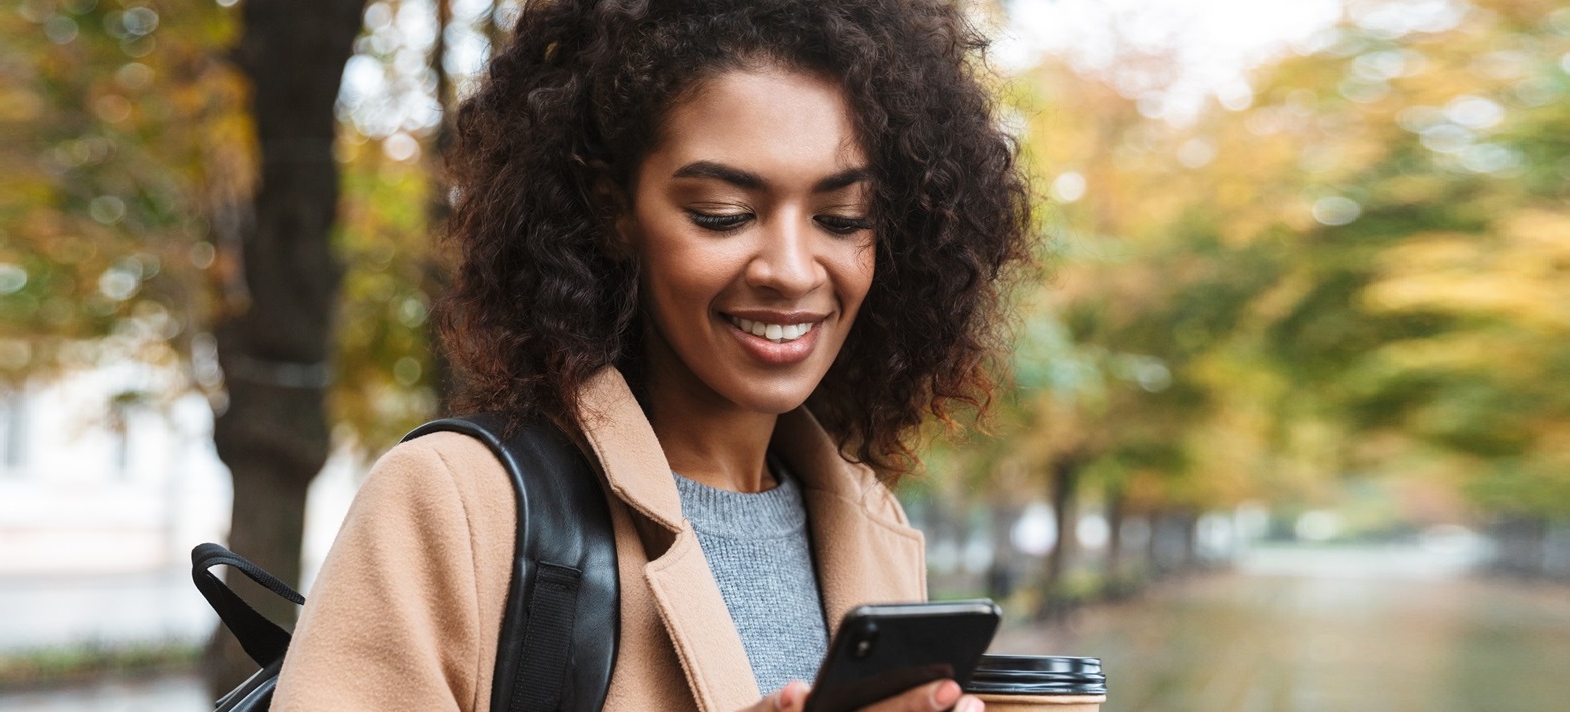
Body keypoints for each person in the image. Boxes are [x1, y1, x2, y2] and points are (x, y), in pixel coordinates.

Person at [273, 0, 1033, 709]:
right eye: (723, 214)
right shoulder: (456, 505)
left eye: (843, 219)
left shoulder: (873, 526)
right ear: (613, 213)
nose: (793, 269)